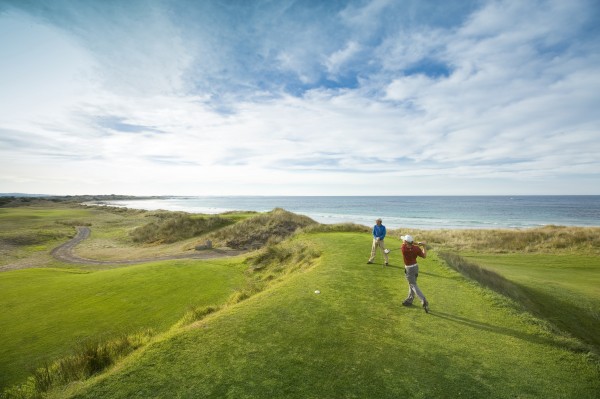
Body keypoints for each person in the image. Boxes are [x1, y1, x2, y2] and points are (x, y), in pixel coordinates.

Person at [400, 234, 429, 313]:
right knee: (412, 284)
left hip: (409, 269)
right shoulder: (416, 248)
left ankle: (424, 300)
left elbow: (407, 243)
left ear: (405, 242)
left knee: (413, 285)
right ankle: (410, 300)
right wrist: (423, 246)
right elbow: (424, 256)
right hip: (415, 268)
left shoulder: (403, 248)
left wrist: (415, 243)